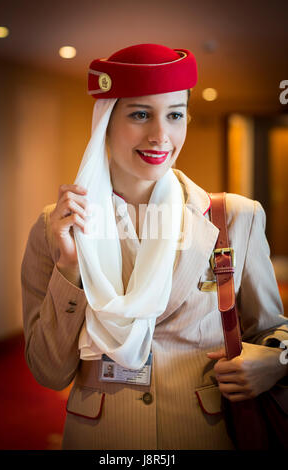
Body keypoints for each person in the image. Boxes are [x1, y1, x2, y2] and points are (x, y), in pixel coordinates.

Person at [21, 43, 288, 450]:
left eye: (175, 115)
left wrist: (275, 360)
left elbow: (273, 328)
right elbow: (49, 373)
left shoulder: (235, 217)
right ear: (105, 123)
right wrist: (70, 268)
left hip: (204, 434)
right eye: (140, 114)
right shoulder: (55, 228)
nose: (161, 135)